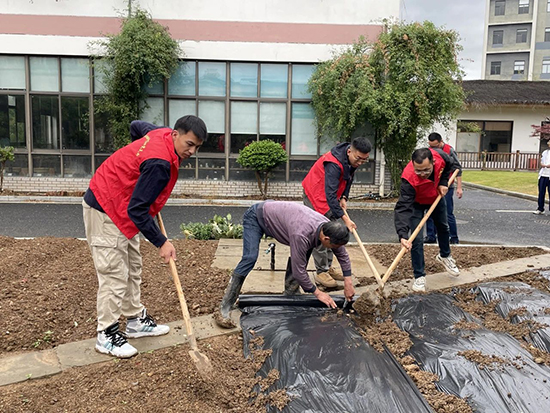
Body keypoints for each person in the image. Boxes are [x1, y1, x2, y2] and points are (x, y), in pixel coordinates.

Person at [82, 115, 208, 358]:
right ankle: (106, 334)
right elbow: (138, 210)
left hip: (124, 207)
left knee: (133, 266)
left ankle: (134, 321)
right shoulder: (159, 164)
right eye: (189, 144)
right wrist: (162, 242)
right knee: (114, 273)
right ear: (175, 134)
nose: (192, 151)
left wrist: (135, 164)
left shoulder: (159, 133)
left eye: (197, 147)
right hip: (105, 206)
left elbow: (136, 126)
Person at [214, 201, 354, 328]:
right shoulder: (302, 234)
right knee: (249, 258)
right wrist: (318, 293)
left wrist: (348, 282)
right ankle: (225, 306)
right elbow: (299, 272)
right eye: (333, 246)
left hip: (280, 216)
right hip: (256, 216)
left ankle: (291, 293)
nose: (334, 249)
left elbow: (342, 254)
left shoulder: (329, 228)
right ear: (326, 238)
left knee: (303, 252)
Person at [301, 137, 372, 289]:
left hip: (329, 195)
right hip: (315, 194)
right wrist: (346, 219)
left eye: (364, 160)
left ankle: (327, 267)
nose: (360, 162)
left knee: (332, 231)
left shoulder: (352, 160)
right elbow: (330, 196)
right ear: (349, 151)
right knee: (322, 232)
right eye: (358, 158)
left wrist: (344, 196)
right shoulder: (333, 163)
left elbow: (348, 179)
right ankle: (321, 272)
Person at [394, 148, 460, 293]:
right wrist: (402, 235)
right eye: (418, 171)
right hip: (416, 204)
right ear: (413, 164)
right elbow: (403, 208)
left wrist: (443, 182)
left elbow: (452, 165)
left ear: (433, 162)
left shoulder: (441, 157)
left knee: (443, 227)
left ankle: (445, 256)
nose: (423, 174)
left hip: (435, 196)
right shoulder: (408, 179)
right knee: (416, 239)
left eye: (426, 170)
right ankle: (419, 276)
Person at [424, 132, 463, 244]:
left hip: (447, 186)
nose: (434, 149)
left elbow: (457, 169)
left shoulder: (449, 150)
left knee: (447, 212)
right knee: (430, 211)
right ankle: (431, 236)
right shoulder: (429, 151)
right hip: (433, 186)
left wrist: (459, 187)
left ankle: (453, 237)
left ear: (441, 142)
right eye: (431, 146)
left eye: (436, 146)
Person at [534, 139, 550, 215]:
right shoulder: (545, 152)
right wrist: (542, 164)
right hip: (543, 174)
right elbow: (541, 161)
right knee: (541, 192)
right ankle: (540, 208)